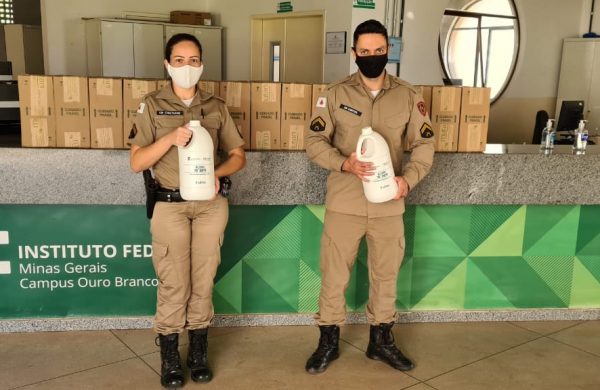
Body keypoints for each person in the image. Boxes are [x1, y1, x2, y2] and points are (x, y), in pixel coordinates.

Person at [304, 19, 435, 374]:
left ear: (388, 52)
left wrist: (408, 180)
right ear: (354, 53)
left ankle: (381, 342)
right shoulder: (334, 94)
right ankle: (327, 341)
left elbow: (425, 144)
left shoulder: (409, 95)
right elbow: (314, 143)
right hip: (345, 203)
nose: (373, 57)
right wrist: (343, 163)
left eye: (379, 51)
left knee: (386, 274)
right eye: (365, 52)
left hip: (389, 203)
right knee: (334, 275)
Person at [129, 33, 246, 388]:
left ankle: (197, 353)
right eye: (179, 60)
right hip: (169, 205)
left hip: (210, 205)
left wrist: (216, 174)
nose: (187, 67)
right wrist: (168, 138)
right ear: (167, 65)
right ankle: (169, 357)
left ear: (202, 65)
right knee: (173, 283)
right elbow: (137, 162)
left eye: (193, 60)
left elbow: (238, 157)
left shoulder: (216, 106)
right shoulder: (151, 105)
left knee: (203, 280)